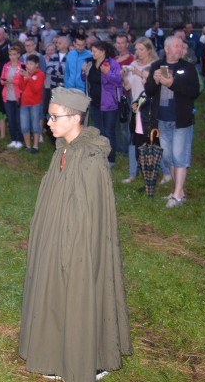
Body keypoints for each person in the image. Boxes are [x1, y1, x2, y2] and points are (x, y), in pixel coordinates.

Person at [19, 87, 131, 382]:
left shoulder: (89, 157)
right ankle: (56, 354)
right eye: (49, 116)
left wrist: (72, 246)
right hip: (58, 237)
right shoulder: (64, 150)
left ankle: (90, 359)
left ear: (75, 118)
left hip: (80, 243)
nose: (48, 122)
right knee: (56, 293)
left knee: (81, 293)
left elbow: (90, 213)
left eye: (54, 117)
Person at [144, 36, 200, 209]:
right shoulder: (157, 66)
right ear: (167, 49)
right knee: (168, 157)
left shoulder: (188, 68)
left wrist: (172, 84)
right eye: (176, 46)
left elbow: (194, 92)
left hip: (181, 120)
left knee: (179, 156)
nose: (180, 48)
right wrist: (154, 80)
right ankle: (179, 191)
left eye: (181, 46)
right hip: (162, 119)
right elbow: (149, 92)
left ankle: (176, 195)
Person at [122, 37, 157, 184]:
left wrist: (139, 73)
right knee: (134, 139)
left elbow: (160, 84)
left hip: (151, 107)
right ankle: (132, 173)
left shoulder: (156, 64)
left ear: (149, 50)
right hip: (136, 106)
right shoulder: (133, 64)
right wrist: (124, 76)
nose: (137, 52)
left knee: (153, 140)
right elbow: (128, 87)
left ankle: (163, 172)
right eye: (136, 49)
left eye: (141, 49)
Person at [82, 40, 123, 166]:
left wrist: (107, 73)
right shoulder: (90, 63)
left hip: (109, 103)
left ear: (102, 52)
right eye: (92, 51)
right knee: (98, 131)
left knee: (109, 131)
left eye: (94, 51)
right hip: (94, 103)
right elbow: (85, 79)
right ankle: (100, 155)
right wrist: (83, 72)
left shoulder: (112, 63)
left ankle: (110, 159)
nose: (92, 53)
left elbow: (118, 81)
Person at [1, 43, 25, 150]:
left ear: (18, 55)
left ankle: (20, 140)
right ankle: (13, 139)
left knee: (18, 119)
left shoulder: (22, 66)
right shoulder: (6, 66)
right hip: (7, 96)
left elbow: (24, 82)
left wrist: (13, 81)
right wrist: (5, 81)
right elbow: (1, 79)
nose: (12, 57)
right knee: (10, 120)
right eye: (10, 54)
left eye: (14, 54)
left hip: (18, 97)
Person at [19, 54, 45, 154]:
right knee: (24, 125)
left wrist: (29, 77)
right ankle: (28, 145)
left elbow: (36, 89)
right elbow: (21, 87)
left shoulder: (40, 75)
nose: (28, 66)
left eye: (31, 64)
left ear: (37, 64)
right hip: (24, 104)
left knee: (35, 125)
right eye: (27, 63)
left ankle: (35, 146)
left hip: (35, 104)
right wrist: (22, 77)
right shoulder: (26, 74)